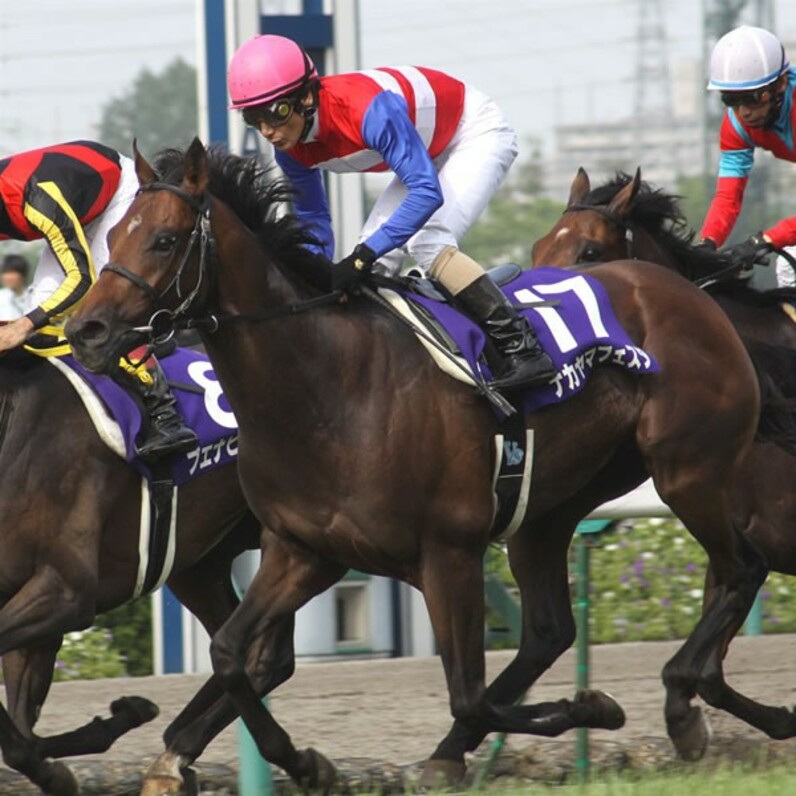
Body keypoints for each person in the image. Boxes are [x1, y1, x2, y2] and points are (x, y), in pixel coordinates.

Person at [226, 34, 556, 390]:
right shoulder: (290, 151)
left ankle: (522, 347)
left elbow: (427, 193)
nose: (267, 131)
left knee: (426, 241)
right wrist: (315, 278)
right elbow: (313, 220)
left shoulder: (366, 110)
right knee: (375, 265)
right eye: (253, 119)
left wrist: (360, 257)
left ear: (306, 96)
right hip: (426, 151)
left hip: (473, 133)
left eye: (275, 113)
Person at [0, 140, 197, 461]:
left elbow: (81, 279)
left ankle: (164, 413)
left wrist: (22, 325)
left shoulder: (38, 201)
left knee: (103, 310)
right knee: (41, 310)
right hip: (76, 207)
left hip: (116, 197)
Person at [700, 25, 796, 282]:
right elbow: (728, 197)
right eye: (731, 99)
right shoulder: (735, 126)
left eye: (753, 98)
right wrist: (706, 244)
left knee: (789, 266)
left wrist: (765, 240)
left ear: (781, 85)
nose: (744, 112)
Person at [0, 254, 31, 321]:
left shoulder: (33, 297)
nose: (8, 277)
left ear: (23, 275)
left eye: (12, 273)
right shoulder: (1, 297)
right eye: (6, 272)